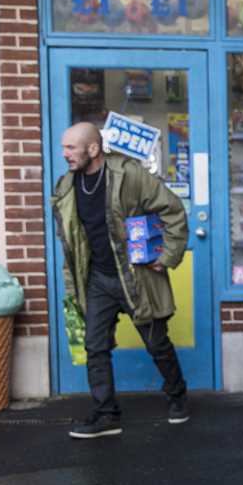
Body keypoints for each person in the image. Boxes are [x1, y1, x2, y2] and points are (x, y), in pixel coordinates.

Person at [52, 122, 190, 438]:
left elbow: (172, 210)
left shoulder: (128, 175)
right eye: (63, 148)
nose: (65, 154)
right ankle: (106, 414)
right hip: (97, 279)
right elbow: (71, 242)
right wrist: (75, 287)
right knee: (94, 346)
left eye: (71, 148)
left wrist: (167, 256)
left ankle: (177, 394)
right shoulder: (67, 186)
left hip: (135, 276)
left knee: (156, 342)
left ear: (93, 148)